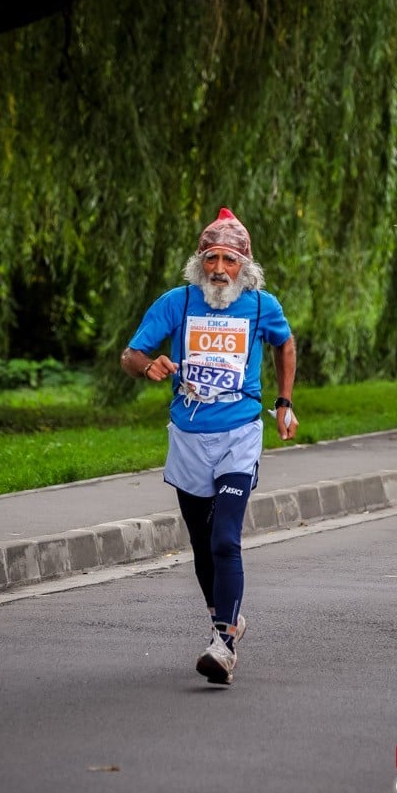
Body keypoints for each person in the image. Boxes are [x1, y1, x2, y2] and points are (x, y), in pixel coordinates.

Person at [120, 208, 298, 685]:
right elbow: (131, 354)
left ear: (246, 265)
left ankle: (224, 643)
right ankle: (225, 616)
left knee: (224, 538)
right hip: (189, 435)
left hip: (240, 432)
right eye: (212, 258)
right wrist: (147, 366)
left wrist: (283, 402)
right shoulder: (176, 303)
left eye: (230, 260)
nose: (220, 268)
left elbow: (285, 344)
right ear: (200, 262)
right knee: (201, 544)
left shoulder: (262, 306)